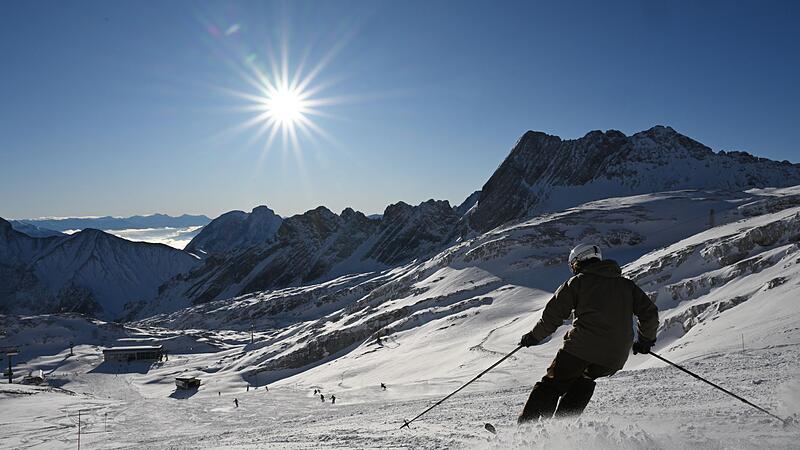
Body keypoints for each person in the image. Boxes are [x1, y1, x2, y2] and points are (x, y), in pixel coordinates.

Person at [517, 244, 658, 423]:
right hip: (614, 357)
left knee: (552, 384)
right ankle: (561, 431)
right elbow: (650, 313)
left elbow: (553, 315)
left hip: (581, 347)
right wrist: (645, 340)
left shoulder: (578, 282)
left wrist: (533, 336)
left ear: (578, 262)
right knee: (584, 380)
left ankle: (527, 430)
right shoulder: (626, 285)